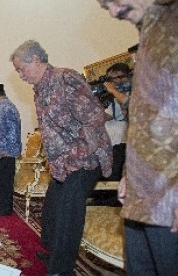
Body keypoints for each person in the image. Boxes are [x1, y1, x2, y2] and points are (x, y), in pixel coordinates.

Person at [10, 40, 113, 275]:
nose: (20, 75)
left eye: (20, 69)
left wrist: (76, 159)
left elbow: (94, 119)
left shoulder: (66, 78)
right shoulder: (39, 90)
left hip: (85, 161)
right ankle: (53, 253)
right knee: (51, 212)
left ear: (35, 60)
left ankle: (61, 269)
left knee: (68, 214)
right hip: (62, 165)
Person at [97, 0, 178, 274]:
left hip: (169, 198)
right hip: (141, 192)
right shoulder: (150, 35)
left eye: (113, 1)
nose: (112, 12)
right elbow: (146, 118)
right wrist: (129, 174)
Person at [90, 63, 132, 206]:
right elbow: (102, 117)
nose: (109, 83)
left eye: (112, 79)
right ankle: (102, 199)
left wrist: (113, 90)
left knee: (115, 176)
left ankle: (111, 201)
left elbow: (127, 107)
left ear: (124, 77)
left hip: (122, 144)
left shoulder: (129, 95)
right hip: (111, 144)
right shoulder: (114, 99)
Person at [0, 84, 22, 217]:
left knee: (5, 181)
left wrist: (4, 149)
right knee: (3, 179)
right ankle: (2, 203)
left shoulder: (3, 107)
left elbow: (7, 130)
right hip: (6, 150)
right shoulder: (8, 104)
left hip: (5, 151)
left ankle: (5, 208)